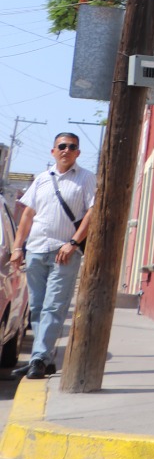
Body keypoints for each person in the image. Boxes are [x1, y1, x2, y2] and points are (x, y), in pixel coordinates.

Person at [10, 133, 94, 378]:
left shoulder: (86, 178)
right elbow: (27, 215)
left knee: (53, 307)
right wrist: (18, 247)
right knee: (36, 307)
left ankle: (38, 359)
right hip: (36, 249)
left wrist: (73, 242)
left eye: (72, 147)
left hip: (64, 251)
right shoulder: (42, 179)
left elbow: (92, 213)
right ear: (53, 151)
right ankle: (43, 358)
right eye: (61, 146)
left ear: (78, 152)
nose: (66, 150)